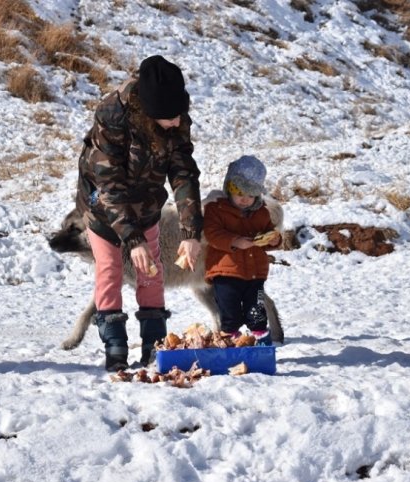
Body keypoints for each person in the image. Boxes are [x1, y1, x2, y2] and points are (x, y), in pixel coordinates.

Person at [75, 55, 203, 371]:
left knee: (151, 270)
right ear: (150, 112)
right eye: (170, 118)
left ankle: (154, 345)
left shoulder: (174, 114)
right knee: (110, 269)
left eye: (179, 116)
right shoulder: (112, 118)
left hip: (146, 204)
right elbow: (110, 188)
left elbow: (184, 173)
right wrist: (132, 241)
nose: (178, 122)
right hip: (104, 208)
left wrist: (190, 232)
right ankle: (115, 347)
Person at [203, 155, 281, 344]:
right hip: (225, 273)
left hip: (255, 274)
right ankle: (231, 344)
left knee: (257, 313)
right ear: (229, 188)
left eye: (251, 194)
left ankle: (261, 344)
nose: (245, 199)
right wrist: (235, 241)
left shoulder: (261, 212)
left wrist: (273, 239)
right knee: (229, 314)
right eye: (240, 193)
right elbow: (212, 234)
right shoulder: (216, 209)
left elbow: (268, 233)